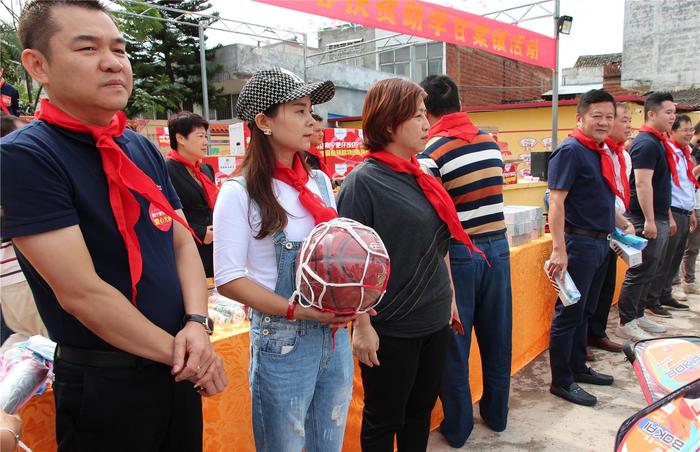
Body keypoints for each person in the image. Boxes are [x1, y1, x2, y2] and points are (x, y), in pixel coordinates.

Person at [0, 2, 227, 450]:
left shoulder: (139, 148)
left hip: (176, 368)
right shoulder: (25, 156)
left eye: (120, 49)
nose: (112, 62)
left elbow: (180, 242)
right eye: (87, 48)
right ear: (37, 64)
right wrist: (187, 355)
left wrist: (198, 325)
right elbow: (82, 292)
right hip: (106, 383)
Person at [214, 67, 354, 452]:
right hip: (283, 340)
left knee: (330, 443)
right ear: (263, 122)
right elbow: (227, 278)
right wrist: (299, 312)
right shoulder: (238, 193)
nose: (312, 120)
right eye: (299, 110)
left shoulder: (320, 183)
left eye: (311, 109)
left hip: (335, 336)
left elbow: (339, 254)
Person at [338, 77, 471, 451]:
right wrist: (360, 326)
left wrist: (451, 299)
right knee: (384, 418)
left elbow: (440, 244)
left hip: (434, 318)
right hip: (391, 326)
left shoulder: (423, 176)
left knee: (420, 413)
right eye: (416, 116)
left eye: (425, 114)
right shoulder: (362, 183)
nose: (426, 124)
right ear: (389, 122)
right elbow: (350, 262)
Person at [416, 75, 512, 448]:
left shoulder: (432, 152)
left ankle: (458, 428)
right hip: (498, 249)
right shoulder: (490, 141)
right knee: (497, 336)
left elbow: (434, 215)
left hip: (459, 254)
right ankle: (497, 414)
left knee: (455, 342)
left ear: (428, 110)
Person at [546, 89, 629, 407]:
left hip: (600, 242)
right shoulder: (570, 151)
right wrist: (559, 249)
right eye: (597, 115)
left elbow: (602, 197)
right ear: (579, 117)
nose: (604, 122)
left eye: (610, 116)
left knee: (587, 311)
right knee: (568, 313)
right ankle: (561, 381)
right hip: (577, 244)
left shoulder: (599, 150)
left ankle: (578, 367)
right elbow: (556, 202)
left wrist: (622, 225)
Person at [616, 92, 677, 341]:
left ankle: (639, 314)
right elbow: (642, 184)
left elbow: (664, 185)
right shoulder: (646, 143)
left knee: (651, 269)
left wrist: (667, 216)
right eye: (668, 112)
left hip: (659, 216)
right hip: (644, 218)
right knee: (640, 270)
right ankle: (626, 321)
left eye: (674, 112)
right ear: (652, 114)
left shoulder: (658, 142)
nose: (672, 117)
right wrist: (650, 220)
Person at [586, 102, 634, 357]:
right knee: (586, 292)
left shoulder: (622, 154)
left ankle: (598, 332)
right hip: (593, 228)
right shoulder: (593, 151)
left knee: (605, 286)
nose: (628, 126)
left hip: (613, 225)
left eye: (628, 120)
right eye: (623, 120)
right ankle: (580, 342)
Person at [1, 113, 48, 348]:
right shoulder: (13, 173)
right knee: (42, 344)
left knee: (26, 344)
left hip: (16, 282)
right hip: (22, 280)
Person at [644, 114, 697, 314]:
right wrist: (669, 216)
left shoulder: (686, 152)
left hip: (685, 210)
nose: (689, 133)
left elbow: (687, 184)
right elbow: (664, 186)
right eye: (685, 130)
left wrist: (691, 211)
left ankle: (666, 293)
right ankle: (653, 299)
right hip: (672, 210)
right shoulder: (667, 151)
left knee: (675, 258)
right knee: (664, 259)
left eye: (691, 130)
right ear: (672, 131)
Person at [166, 111, 216, 277]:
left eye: (206, 137)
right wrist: (200, 233)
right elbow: (166, 214)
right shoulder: (166, 171)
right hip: (188, 248)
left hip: (215, 247)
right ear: (180, 138)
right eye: (200, 136)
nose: (205, 142)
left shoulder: (206, 170)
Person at [680, 120, 700, 295]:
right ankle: (685, 281)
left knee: (693, 246)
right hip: (690, 204)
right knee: (688, 246)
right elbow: (689, 178)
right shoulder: (688, 152)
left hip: (693, 205)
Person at [304, 112, 332, 178]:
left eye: (322, 131)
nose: (321, 134)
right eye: (317, 131)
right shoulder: (303, 157)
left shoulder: (316, 154)